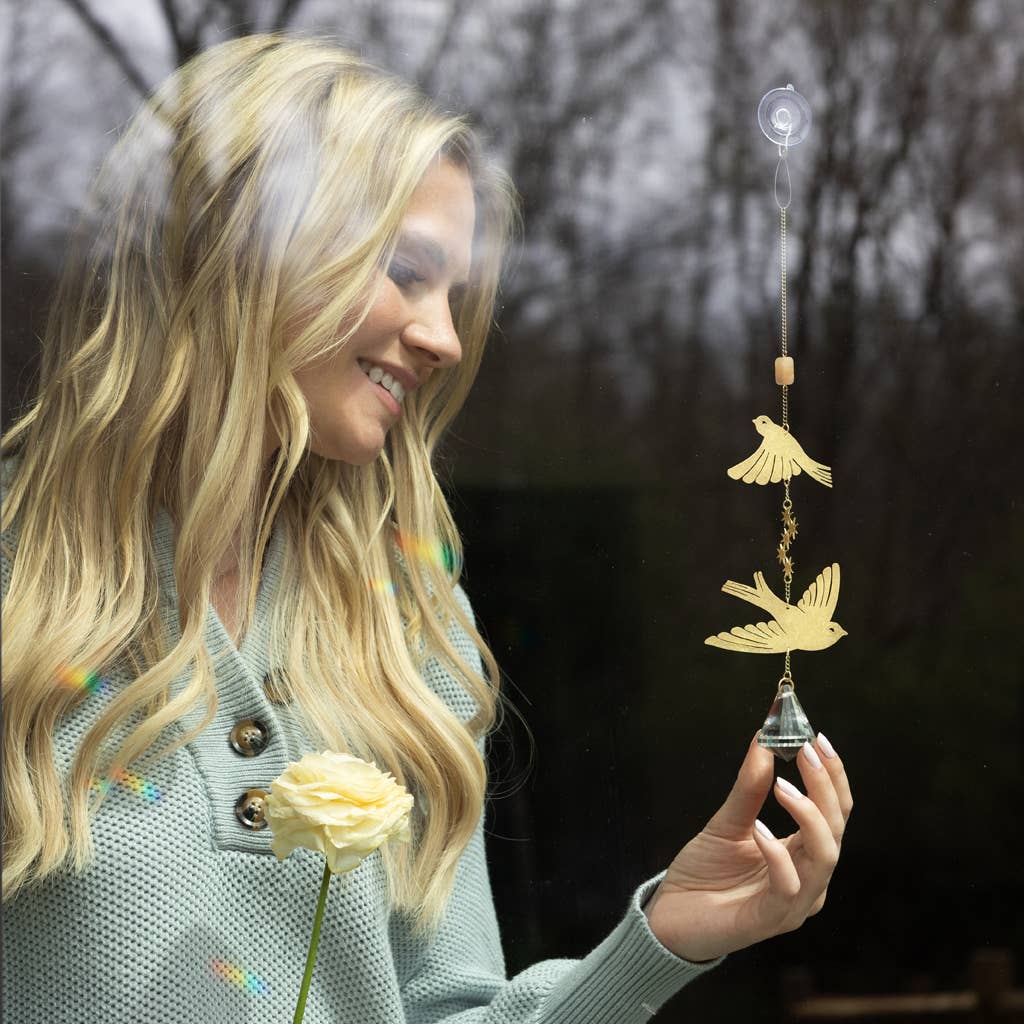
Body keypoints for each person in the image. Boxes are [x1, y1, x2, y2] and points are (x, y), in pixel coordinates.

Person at [0, 33, 852, 1023]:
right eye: (405, 271)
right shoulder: (21, 587)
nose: (445, 338)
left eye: (454, 293)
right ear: (250, 253)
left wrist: (662, 938)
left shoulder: (408, 626)